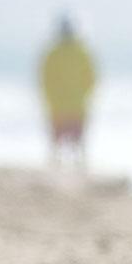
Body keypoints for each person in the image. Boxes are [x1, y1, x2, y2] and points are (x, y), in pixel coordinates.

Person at [38, 15, 97, 172]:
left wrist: (50, 98)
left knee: (61, 142)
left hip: (59, 104)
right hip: (75, 103)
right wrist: (84, 95)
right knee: (76, 142)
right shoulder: (81, 52)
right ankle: (77, 167)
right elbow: (91, 78)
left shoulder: (53, 53)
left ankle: (59, 167)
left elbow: (45, 79)